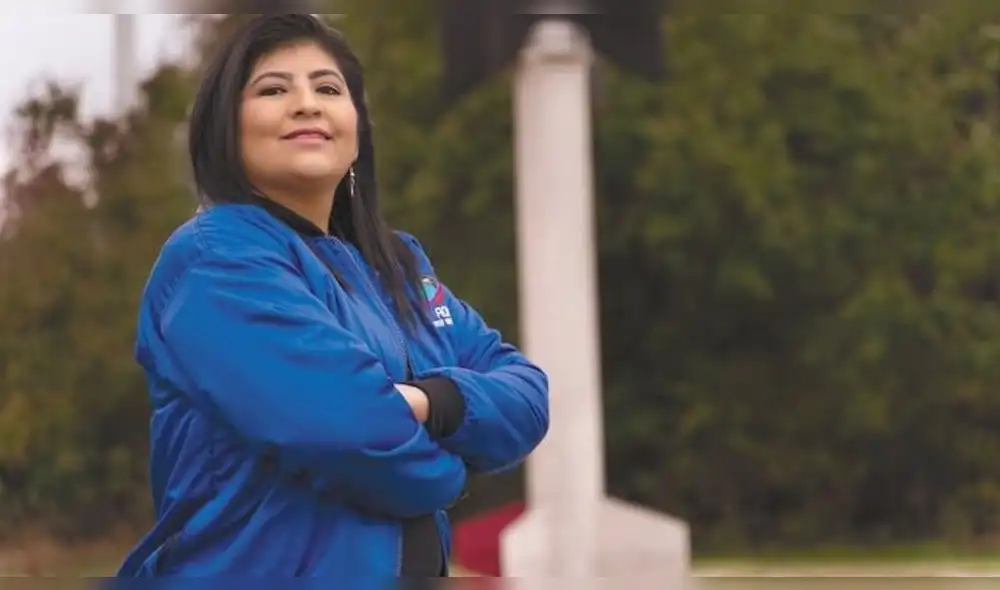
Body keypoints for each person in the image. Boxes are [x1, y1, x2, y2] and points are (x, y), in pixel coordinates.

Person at [117, 14, 549, 578]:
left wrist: (428, 402)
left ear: (357, 126)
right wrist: (454, 466)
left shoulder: (397, 265)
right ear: (225, 126)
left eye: (328, 88)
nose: (306, 104)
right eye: (274, 89)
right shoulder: (216, 260)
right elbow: (350, 434)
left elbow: (527, 393)